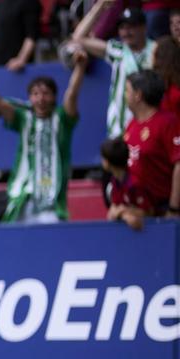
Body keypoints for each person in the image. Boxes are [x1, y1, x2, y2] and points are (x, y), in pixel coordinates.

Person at [0, 53, 85, 223]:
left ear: (54, 98)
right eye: (35, 94)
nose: (41, 99)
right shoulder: (24, 118)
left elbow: (72, 94)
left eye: (46, 94)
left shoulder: (63, 119)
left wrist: (80, 68)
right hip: (22, 197)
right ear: (30, 98)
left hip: (50, 201)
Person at [73, 3, 156, 138]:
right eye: (122, 27)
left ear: (144, 27)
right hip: (119, 131)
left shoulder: (156, 51)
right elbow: (79, 38)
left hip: (150, 131)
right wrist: (99, 7)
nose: (126, 32)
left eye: (131, 27)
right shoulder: (118, 50)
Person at [123, 69, 180, 217]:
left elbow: (179, 164)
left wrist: (174, 209)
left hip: (164, 209)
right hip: (139, 210)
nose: (125, 96)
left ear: (138, 95)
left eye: (127, 90)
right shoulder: (131, 125)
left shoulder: (168, 123)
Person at [102, 138, 149, 229]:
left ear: (108, 162)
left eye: (103, 158)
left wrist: (122, 211)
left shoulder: (135, 183)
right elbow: (114, 209)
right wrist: (124, 214)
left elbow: (148, 212)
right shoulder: (115, 181)